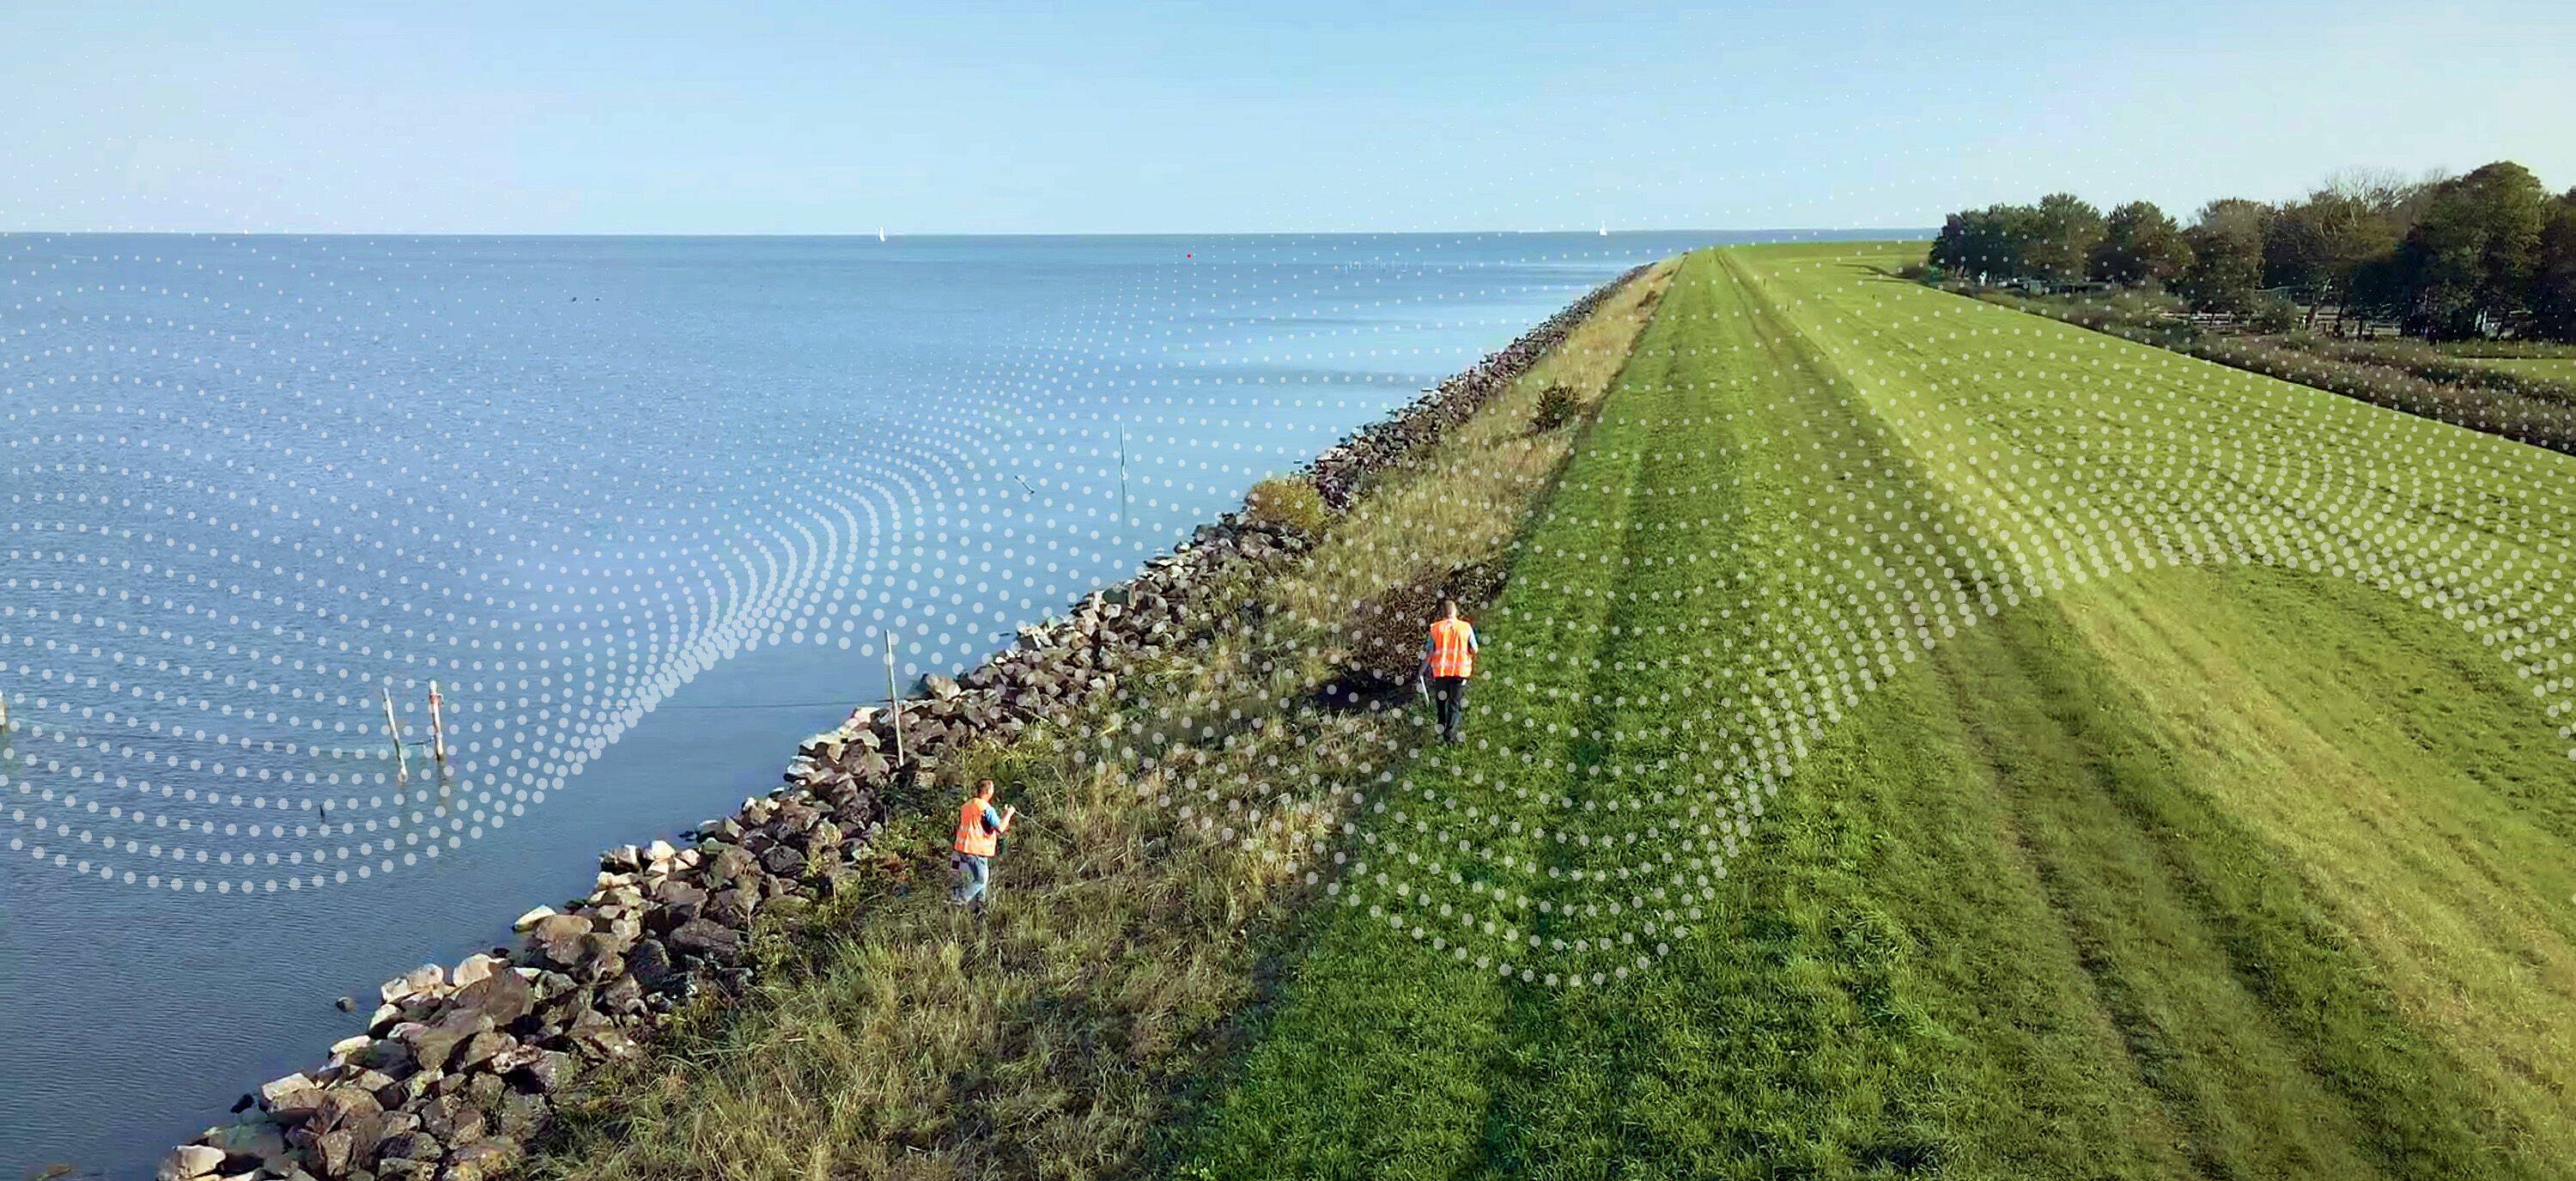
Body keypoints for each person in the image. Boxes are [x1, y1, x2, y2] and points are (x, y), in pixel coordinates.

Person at [951, 777, 1016, 915]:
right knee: (981, 880)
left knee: (980, 879)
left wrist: (1003, 816)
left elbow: (985, 825)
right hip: (976, 849)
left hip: (963, 848)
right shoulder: (986, 808)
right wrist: (1009, 814)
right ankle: (958, 902)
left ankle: (980, 909)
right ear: (988, 791)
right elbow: (1000, 828)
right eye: (992, 788)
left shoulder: (967, 805)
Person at [1419, 599, 1479, 745]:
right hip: (1460, 672)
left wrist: (1421, 671)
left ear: (1442, 613)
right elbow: (1474, 648)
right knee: (1454, 704)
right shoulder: (1465, 627)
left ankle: (1441, 729)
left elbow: (1430, 652)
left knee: (1441, 703)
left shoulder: (1435, 629)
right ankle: (1449, 736)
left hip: (1441, 673)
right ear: (1456, 611)